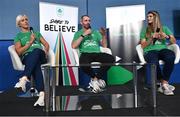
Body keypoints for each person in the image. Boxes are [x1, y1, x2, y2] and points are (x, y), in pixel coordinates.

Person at [71, 15, 115, 93]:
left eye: (89, 20)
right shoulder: (78, 33)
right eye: (85, 20)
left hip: (97, 53)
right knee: (83, 64)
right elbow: (74, 46)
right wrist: (83, 34)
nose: (88, 22)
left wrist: (104, 35)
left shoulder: (95, 32)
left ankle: (95, 80)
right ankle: (96, 80)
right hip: (86, 53)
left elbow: (104, 46)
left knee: (111, 59)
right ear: (81, 22)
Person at [14, 14, 49, 106]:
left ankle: (24, 78)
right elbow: (19, 52)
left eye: (26, 19)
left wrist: (46, 51)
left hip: (40, 55)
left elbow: (46, 44)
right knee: (35, 63)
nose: (25, 21)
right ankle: (42, 96)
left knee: (37, 50)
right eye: (22, 20)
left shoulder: (35, 33)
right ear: (19, 24)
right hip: (27, 57)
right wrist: (30, 43)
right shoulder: (18, 36)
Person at [140, 10, 176, 95]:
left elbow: (173, 41)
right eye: (147, 16)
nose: (148, 18)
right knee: (153, 62)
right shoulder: (145, 30)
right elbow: (143, 45)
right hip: (150, 50)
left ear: (156, 18)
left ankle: (164, 83)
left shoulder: (165, 28)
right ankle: (163, 84)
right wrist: (151, 38)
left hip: (162, 49)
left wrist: (166, 36)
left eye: (150, 16)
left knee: (170, 57)